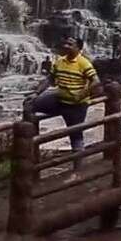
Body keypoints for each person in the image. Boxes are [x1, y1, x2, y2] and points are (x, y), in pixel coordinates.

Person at [29, 37, 99, 171]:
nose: (66, 46)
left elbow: (96, 81)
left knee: (76, 135)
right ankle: (30, 143)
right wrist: (36, 93)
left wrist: (82, 94)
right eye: (65, 43)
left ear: (79, 48)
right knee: (31, 104)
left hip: (76, 105)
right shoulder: (60, 61)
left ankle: (77, 169)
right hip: (60, 100)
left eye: (70, 44)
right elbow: (50, 79)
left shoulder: (84, 63)